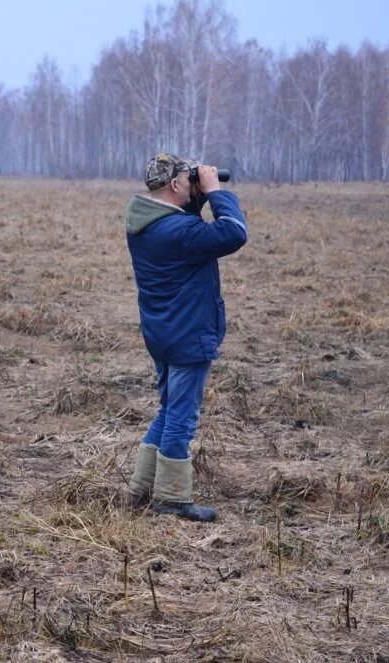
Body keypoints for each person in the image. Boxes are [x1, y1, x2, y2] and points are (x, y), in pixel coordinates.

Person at [123, 153, 247, 522]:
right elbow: (234, 232)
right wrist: (215, 192)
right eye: (188, 180)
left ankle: (141, 488)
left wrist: (197, 194)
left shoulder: (145, 222)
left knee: (168, 409)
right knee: (182, 416)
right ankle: (172, 498)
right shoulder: (178, 233)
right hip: (188, 333)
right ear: (177, 185)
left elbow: (186, 224)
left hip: (163, 332)